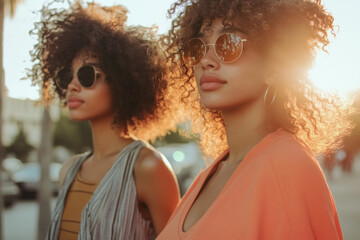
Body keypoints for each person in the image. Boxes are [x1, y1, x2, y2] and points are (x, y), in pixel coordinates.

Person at [157, 0, 353, 239]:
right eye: (198, 47)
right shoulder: (212, 172)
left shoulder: (287, 165)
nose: (205, 60)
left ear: (273, 66)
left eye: (228, 44)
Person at [29, 1, 180, 239]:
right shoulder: (68, 171)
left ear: (122, 82)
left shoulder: (148, 167)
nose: (72, 85)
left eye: (86, 74)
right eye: (68, 76)